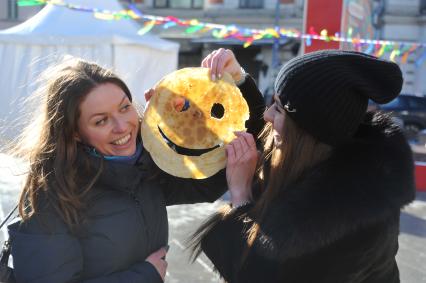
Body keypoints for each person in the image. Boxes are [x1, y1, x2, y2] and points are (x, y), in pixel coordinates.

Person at [6, 57, 265, 283]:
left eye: (124, 107)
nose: (123, 126)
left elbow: (210, 175)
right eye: (101, 120)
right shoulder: (52, 197)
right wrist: (146, 275)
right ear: (73, 132)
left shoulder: (144, 166)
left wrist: (237, 82)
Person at [191, 49, 416, 283]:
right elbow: (263, 132)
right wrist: (238, 79)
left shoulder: (346, 222)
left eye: (278, 107)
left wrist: (241, 197)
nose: (267, 114)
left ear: (306, 130)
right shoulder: (323, 149)